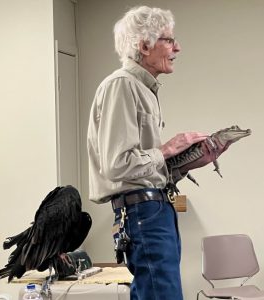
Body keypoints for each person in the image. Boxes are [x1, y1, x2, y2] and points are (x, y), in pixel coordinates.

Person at [87, 6, 207, 300]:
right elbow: (117, 166)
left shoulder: (142, 89)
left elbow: (141, 165)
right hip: (144, 213)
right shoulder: (122, 86)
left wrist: (188, 161)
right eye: (168, 40)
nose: (177, 47)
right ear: (143, 45)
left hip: (155, 209)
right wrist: (167, 148)